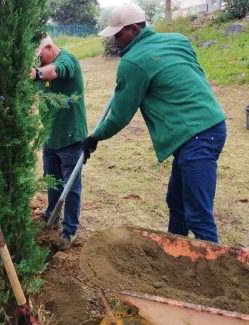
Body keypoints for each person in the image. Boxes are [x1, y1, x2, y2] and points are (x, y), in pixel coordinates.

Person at [81, 3, 227, 243]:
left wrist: (94, 137)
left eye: (118, 34)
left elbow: (119, 117)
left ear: (135, 29)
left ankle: (211, 273)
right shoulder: (178, 39)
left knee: (199, 216)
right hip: (206, 129)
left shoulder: (132, 63)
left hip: (198, 136)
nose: (114, 40)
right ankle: (174, 253)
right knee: (176, 202)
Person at [31, 36, 88, 250]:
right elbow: (46, 79)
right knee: (52, 180)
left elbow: (54, 71)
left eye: (40, 57)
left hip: (71, 137)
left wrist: (36, 73)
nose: (39, 63)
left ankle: (70, 228)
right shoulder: (44, 68)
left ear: (48, 46)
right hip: (51, 137)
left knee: (71, 185)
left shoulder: (68, 60)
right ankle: (51, 216)